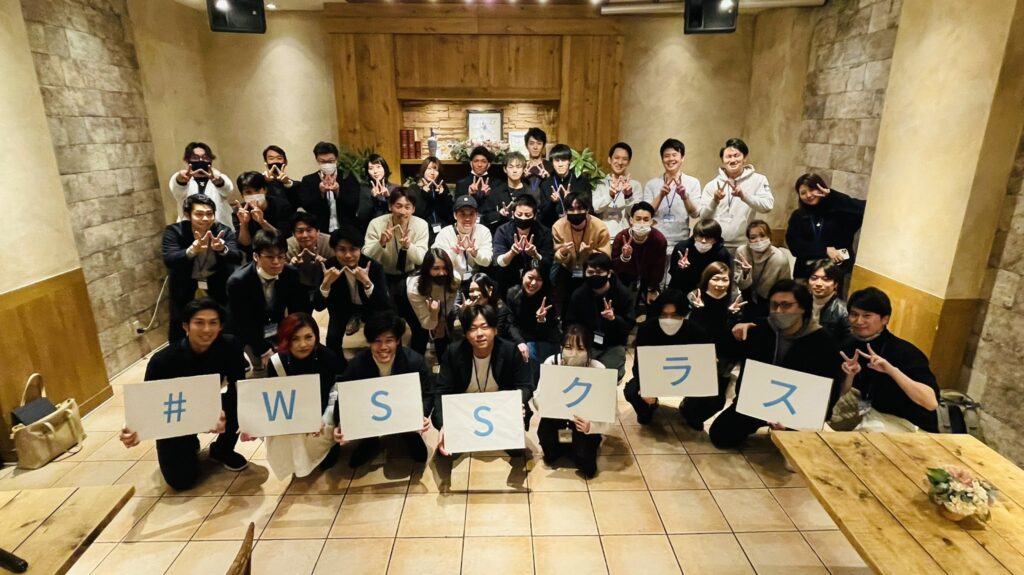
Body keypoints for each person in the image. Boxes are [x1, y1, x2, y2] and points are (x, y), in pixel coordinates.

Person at [119, 299, 247, 490]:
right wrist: (132, 426)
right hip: (176, 414)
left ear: (221, 326)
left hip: (211, 405)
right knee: (181, 482)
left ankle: (222, 450)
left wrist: (245, 418)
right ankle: (188, 443)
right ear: (186, 326)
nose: (207, 329)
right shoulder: (162, 361)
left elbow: (239, 385)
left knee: (239, 401)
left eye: (213, 323)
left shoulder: (230, 345)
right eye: (199, 323)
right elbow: (148, 402)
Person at [708, 280, 843, 448]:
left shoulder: (823, 341)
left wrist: (810, 417)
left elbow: (829, 387)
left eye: (786, 305)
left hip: (795, 409)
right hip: (756, 402)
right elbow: (725, 350)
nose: (779, 311)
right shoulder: (758, 328)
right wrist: (733, 330)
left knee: (800, 451)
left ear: (803, 308)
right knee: (720, 435)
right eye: (774, 305)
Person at [333, 312, 433, 467]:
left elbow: (428, 393)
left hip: (404, 411)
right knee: (356, 458)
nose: (383, 347)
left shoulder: (414, 361)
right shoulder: (357, 365)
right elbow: (345, 396)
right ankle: (370, 440)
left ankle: (409, 434)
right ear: (369, 342)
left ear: (398, 341)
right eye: (377, 341)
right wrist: (340, 421)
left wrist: (423, 415)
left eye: (389, 340)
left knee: (419, 455)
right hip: (370, 415)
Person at [432, 305, 533, 457]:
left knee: (518, 452)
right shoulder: (453, 352)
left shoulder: (510, 350)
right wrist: (444, 425)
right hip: (465, 408)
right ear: (466, 333)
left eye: (485, 327)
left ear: (495, 329)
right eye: (472, 329)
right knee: (446, 452)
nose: (479, 334)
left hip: (500, 407)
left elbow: (525, 385)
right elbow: (441, 390)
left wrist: (517, 402)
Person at [836, 287, 939, 432]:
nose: (859, 321)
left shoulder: (905, 352)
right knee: (824, 415)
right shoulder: (850, 345)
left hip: (908, 422)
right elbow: (842, 391)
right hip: (869, 407)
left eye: (867, 316)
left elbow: (931, 403)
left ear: (885, 319)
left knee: (863, 435)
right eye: (854, 314)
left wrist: (891, 370)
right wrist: (849, 375)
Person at [257, 313, 343, 478]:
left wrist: (325, 418)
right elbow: (274, 399)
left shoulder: (328, 357)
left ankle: (329, 447)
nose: (303, 344)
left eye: (308, 337)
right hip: (294, 415)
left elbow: (335, 392)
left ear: (316, 336)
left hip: (323, 414)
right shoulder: (277, 363)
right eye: (295, 339)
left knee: (325, 449)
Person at [226, 230, 313, 372]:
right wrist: (263, 350)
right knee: (255, 367)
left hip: (275, 326)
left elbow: (298, 310)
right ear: (256, 256)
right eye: (270, 257)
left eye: (281, 256)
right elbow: (243, 321)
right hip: (247, 332)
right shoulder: (238, 282)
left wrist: (294, 337)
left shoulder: (291, 274)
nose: (277, 262)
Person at [162, 194, 241, 344]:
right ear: (188, 215)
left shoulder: (222, 231)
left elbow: (236, 256)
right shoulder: (174, 231)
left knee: (225, 320)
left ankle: (225, 351)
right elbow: (169, 259)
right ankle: (178, 354)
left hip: (216, 280)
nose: (205, 218)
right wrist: (192, 250)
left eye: (209, 214)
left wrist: (222, 248)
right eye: (199, 214)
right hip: (184, 281)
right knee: (179, 324)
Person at [624, 290, 711, 424]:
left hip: (685, 375)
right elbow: (638, 365)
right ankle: (647, 410)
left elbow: (703, 366)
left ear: (683, 314)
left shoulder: (697, 332)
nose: (669, 319)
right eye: (664, 315)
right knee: (632, 391)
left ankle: (690, 411)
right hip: (656, 375)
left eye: (675, 315)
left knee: (714, 397)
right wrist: (645, 387)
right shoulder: (647, 329)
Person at [677, 262, 747, 429]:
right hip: (701, 353)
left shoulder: (734, 301)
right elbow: (692, 331)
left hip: (724, 355)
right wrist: (699, 312)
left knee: (718, 400)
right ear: (707, 279)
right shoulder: (695, 297)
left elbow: (730, 334)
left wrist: (732, 316)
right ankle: (689, 412)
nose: (720, 284)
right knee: (698, 393)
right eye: (715, 279)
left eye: (725, 280)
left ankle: (695, 414)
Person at [537, 324, 612, 478]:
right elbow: (538, 396)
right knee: (550, 456)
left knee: (587, 467)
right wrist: (548, 406)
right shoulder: (552, 362)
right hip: (556, 420)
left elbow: (610, 413)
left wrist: (591, 426)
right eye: (568, 347)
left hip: (583, 423)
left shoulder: (599, 370)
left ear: (589, 350)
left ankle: (580, 446)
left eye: (581, 348)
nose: (574, 354)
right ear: (561, 347)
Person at [314, 225, 391, 362]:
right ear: (334, 250)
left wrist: (367, 283)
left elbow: (384, 304)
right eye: (342, 250)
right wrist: (326, 284)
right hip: (341, 307)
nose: (348, 255)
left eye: (353, 249)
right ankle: (339, 369)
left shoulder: (373, 267)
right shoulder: (328, 267)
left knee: (383, 333)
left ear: (360, 249)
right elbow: (318, 306)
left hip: (370, 306)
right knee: (332, 338)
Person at [563, 253, 635, 380]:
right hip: (586, 343)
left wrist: (614, 319)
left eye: (599, 272)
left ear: (609, 273)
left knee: (609, 377)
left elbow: (629, 325)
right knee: (578, 375)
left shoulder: (623, 294)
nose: (594, 275)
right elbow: (569, 323)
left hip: (613, 344)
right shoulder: (578, 295)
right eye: (590, 272)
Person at [786, 172, 866, 280]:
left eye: (812, 189)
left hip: (835, 273)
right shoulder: (798, 216)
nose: (808, 195)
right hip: (805, 272)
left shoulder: (840, 212)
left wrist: (832, 196)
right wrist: (824, 251)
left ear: (822, 188)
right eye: (803, 193)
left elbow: (865, 209)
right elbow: (795, 246)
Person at [699, 138, 774, 251]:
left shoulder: (758, 180)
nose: (732, 160)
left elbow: (767, 206)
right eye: (728, 156)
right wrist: (715, 201)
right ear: (722, 160)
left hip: (744, 245)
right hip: (716, 245)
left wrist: (744, 196)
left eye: (736, 155)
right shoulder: (712, 185)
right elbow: (703, 217)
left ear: (744, 158)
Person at [502, 260, 562, 382]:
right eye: (530, 277)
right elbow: (510, 323)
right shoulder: (512, 293)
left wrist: (541, 319)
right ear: (522, 275)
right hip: (523, 337)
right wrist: (520, 342)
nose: (533, 283)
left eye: (539, 279)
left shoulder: (548, 297)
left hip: (545, 339)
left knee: (533, 354)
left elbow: (550, 330)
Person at [363, 187, 430, 295]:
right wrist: (380, 243)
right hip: (382, 275)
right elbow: (366, 257)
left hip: (410, 275)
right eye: (398, 206)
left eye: (407, 207)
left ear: (413, 209)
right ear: (390, 206)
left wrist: (409, 246)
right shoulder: (376, 224)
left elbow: (421, 260)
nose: (403, 212)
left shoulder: (421, 225)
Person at [552, 193, 611, 313]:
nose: (575, 213)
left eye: (580, 208)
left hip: (592, 270)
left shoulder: (600, 227)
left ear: (587, 210)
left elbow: (606, 258)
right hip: (568, 269)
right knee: (565, 300)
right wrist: (563, 252)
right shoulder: (558, 226)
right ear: (566, 211)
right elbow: (557, 257)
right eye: (571, 209)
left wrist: (591, 254)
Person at [642, 138, 701, 251]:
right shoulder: (651, 184)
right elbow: (645, 214)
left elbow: (695, 214)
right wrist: (660, 196)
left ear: (682, 158)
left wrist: (685, 197)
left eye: (674, 155)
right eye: (667, 156)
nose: (670, 159)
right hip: (655, 241)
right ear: (662, 159)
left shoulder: (693, 182)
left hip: (681, 242)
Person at [492, 194, 553, 294]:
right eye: (519, 214)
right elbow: (499, 262)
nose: (523, 218)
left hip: (536, 284)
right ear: (513, 214)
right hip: (508, 282)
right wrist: (512, 253)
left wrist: (535, 255)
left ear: (534, 216)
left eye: (527, 215)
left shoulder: (545, 232)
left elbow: (548, 263)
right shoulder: (502, 230)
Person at [405, 248, 460, 359]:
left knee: (442, 336)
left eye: (445, 268)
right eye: (436, 268)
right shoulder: (414, 289)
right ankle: (419, 364)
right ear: (427, 269)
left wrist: (441, 320)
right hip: (414, 301)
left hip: (440, 304)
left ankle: (443, 364)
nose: (442, 273)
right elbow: (427, 324)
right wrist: (434, 315)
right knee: (420, 336)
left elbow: (449, 302)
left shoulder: (455, 280)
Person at [297, 141, 362, 233]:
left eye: (330, 161)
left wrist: (338, 192)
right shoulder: (309, 180)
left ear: (336, 159)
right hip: (320, 230)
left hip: (347, 228)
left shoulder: (348, 177)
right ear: (317, 160)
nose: (327, 164)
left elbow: (355, 204)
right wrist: (321, 193)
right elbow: (307, 207)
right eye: (323, 162)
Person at [611, 201, 667, 307]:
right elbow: (614, 267)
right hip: (625, 279)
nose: (642, 223)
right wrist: (625, 257)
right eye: (638, 219)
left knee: (654, 306)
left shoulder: (659, 239)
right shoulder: (621, 237)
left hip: (649, 279)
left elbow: (659, 268)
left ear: (652, 222)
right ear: (631, 220)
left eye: (646, 219)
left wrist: (652, 289)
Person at [733, 219, 791, 320]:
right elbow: (740, 285)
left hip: (769, 301)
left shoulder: (779, 258)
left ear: (769, 236)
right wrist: (745, 273)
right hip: (747, 297)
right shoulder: (742, 252)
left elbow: (786, 287)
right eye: (753, 237)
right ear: (748, 240)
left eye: (762, 235)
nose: (758, 240)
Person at [169, 141, 235, 229]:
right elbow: (178, 191)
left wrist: (219, 182)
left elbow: (228, 191)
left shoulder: (220, 177)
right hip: (190, 230)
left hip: (219, 228)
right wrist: (180, 181)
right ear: (187, 160)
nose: (201, 161)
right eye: (195, 158)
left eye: (205, 158)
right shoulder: (181, 178)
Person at [431, 195, 494, 284]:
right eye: (462, 214)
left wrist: (475, 254)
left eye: (471, 214)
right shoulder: (445, 233)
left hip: (474, 280)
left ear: (476, 215)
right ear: (455, 215)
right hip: (450, 279)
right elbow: (435, 263)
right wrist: (454, 252)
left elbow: (487, 262)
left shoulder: (483, 231)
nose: (467, 218)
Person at [667, 219, 732, 296]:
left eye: (708, 238)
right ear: (694, 236)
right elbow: (673, 274)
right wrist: (683, 269)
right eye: (700, 236)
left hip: (708, 291)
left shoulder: (722, 254)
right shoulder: (682, 248)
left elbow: (725, 279)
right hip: (681, 289)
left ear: (716, 239)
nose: (703, 241)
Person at [233, 171, 294, 253]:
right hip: (253, 254)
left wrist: (262, 222)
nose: (254, 195)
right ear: (242, 195)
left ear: (265, 190)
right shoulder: (239, 212)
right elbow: (245, 244)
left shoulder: (281, 206)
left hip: (279, 251)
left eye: (257, 190)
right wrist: (244, 224)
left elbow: (283, 239)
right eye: (248, 192)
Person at [592, 142, 642, 237]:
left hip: (626, 237)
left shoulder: (635, 185)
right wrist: (610, 195)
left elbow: (637, 215)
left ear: (629, 162)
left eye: (624, 159)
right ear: (609, 160)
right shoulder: (599, 183)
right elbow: (595, 208)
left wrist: (628, 196)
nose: (620, 162)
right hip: (602, 236)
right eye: (617, 158)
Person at [540, 144, 592, 227]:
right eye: (557, 160)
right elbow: (543, 217)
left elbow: (590, 210)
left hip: (578, 228)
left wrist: (572, 200)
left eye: (564, 160)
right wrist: (552, 203)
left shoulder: (582, 182)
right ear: (552, 163)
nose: (560, 164)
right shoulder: (546, 184)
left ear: (569, 161)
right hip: (553, 228)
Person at [407, 156, 453, 243]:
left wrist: (442, 195)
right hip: (423, 231)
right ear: (423, 170)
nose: (432, 172)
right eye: (429, 169)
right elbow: (418, 213)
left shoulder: (442, 187)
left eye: (435, 169)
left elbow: (448, 214)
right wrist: (424, 194)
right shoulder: (413, 189)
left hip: (442, 229)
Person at [807, 259, 850, 342]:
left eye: (826, 279)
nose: (818, 283)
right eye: (814, 278)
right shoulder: (799, 303)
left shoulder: (844, 312)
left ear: (836, 284)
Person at [359, 153, 398, 223]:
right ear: (367, 171)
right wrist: (372, 198)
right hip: (372, 226)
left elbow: (399, 213)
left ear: (384, 168)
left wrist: (388, 197)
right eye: (371, 168)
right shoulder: (364, 190)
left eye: (378, 167)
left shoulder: (395, 188)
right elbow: (362, 217)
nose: (375, 171)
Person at [523, 127, 554, 198]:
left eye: (539, 143)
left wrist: (548, 179)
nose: (535, 147)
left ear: (543, 146)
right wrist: (521, 178)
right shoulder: (522, 167)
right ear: (526, 145)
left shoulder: (550, 166)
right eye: (531, 143)